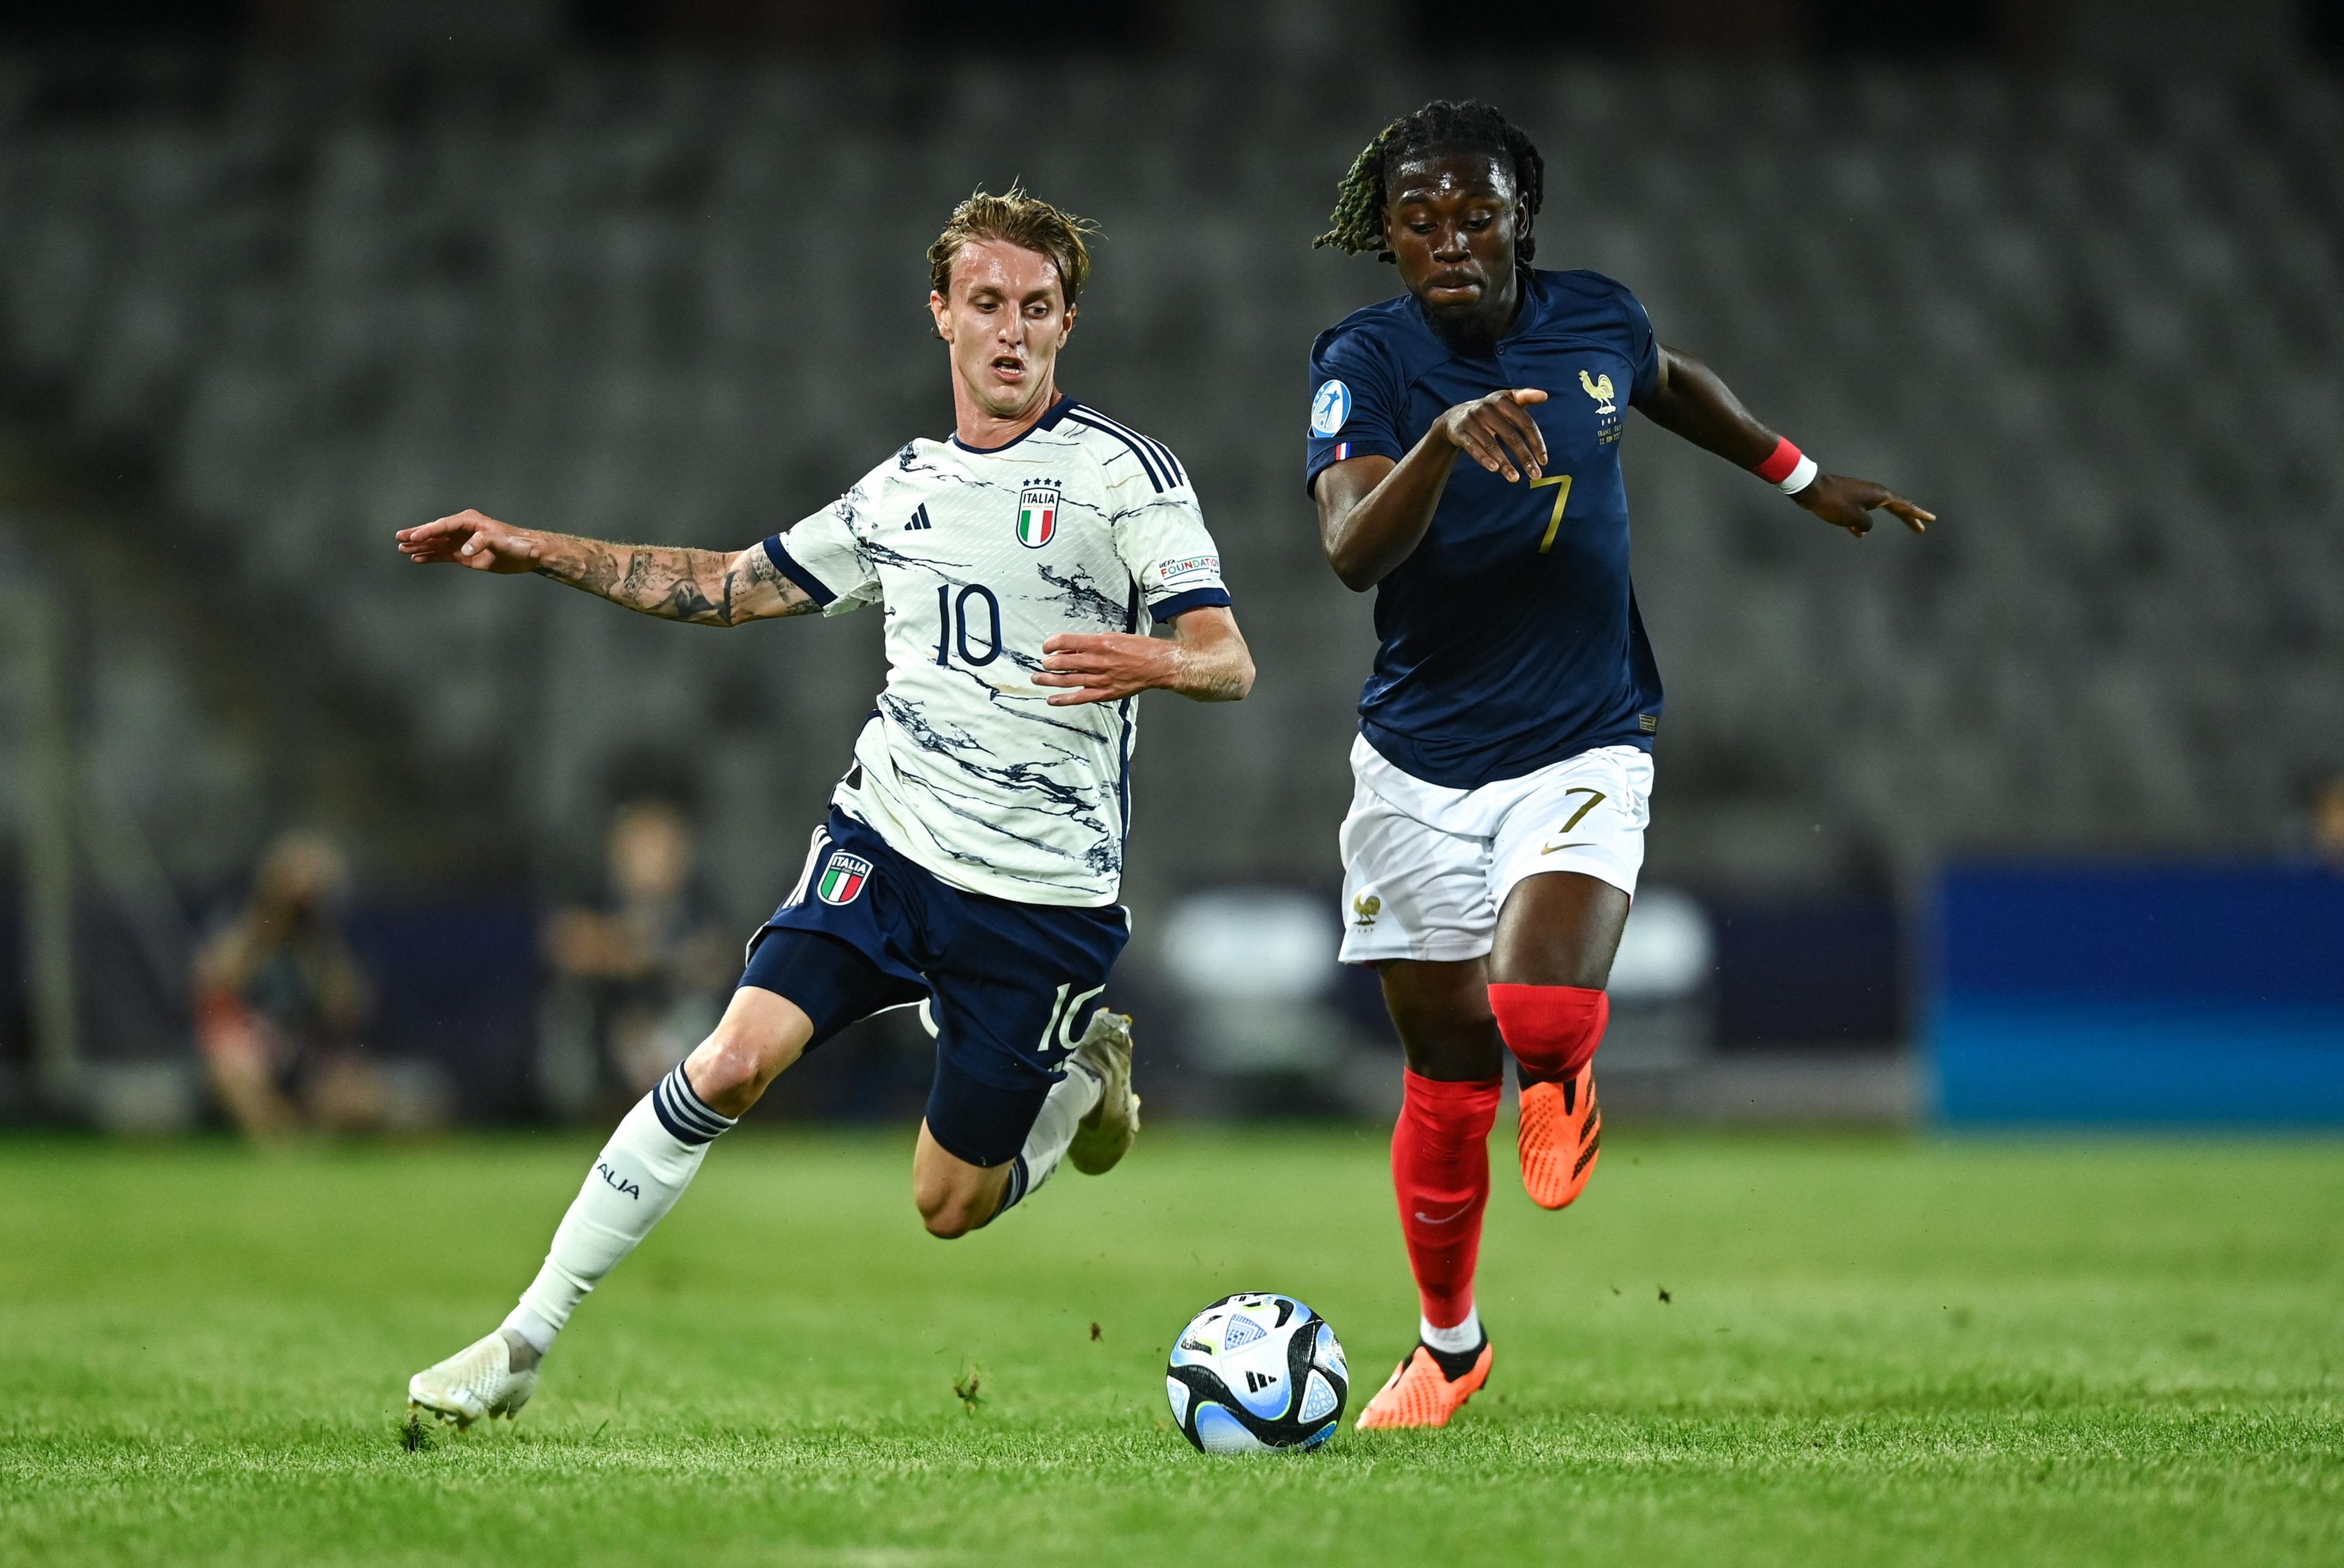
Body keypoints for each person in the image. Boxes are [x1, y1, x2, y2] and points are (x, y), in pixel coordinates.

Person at [396, 187, 1254, 1427]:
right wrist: (536, 548)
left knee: (946, 1204)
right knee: (734, 1060)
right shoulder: (898, 493)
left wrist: (1155, 660)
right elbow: (725, 585)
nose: (1011, 332)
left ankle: (1080, 1088)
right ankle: (525, 1339)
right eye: (986, 305)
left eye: (1038, 309)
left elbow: (1228, 660)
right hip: (889, 845)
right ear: (941, 317)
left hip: (1044, 894)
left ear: (1068, 325)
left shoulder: (1125, 476)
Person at [1305, 101, 1932, 1429]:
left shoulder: (1596, 316)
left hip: (1585, 730)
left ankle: (1567, 1072)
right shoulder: (1365, 358)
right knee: (1445, 1075)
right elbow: (1353, 549)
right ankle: (1450, 1349)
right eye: (1420, 221)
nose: (1451, 239)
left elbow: (1670, 380)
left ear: (1521, 215)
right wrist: (1443, 436)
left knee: (1532, 1010)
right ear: (1391, 238)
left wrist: (1798, 473)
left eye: (1476, 212)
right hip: (1416, 761)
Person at [541, 798, 734, 1106]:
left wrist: (633, 953)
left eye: (666, 847)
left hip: (670, 1018)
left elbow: (716, 965)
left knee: (705, 1022)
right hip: (603, 1021)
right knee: (565, 1023)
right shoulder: (592, 893)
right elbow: (566, 944)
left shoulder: (699, 902)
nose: (655, 858)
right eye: (645, 846)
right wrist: (640, 953)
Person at [194, 830, 385, 1138]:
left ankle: (311, 1136)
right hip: (255, 1050)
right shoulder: (244, 926)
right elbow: (214, 984)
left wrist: (319, 949)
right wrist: (267, 925)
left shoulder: (328, 939)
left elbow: (348, 1008)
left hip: (309, 1052)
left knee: (363, 1098)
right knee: (232, 1070)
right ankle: (280, 1136)